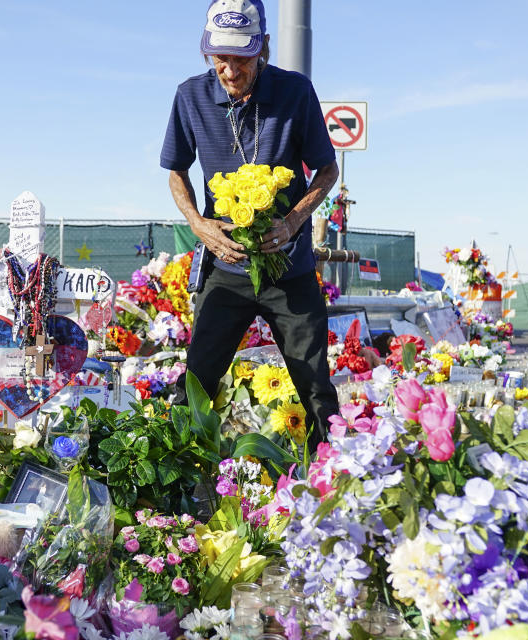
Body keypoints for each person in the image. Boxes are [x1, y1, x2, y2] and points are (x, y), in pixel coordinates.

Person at [161, 0, 339, 451]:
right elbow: (176, 171)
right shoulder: (190, 96)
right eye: (220, 58)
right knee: (195, 386)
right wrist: (199, 224)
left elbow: (326, 170)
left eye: (241, 58)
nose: (230, 70)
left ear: (263, 49)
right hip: (226, 269)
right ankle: (181, 483)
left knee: (316, 388)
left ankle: (333, 480)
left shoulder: (296, 92)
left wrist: (295, 220)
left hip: (291, 271)